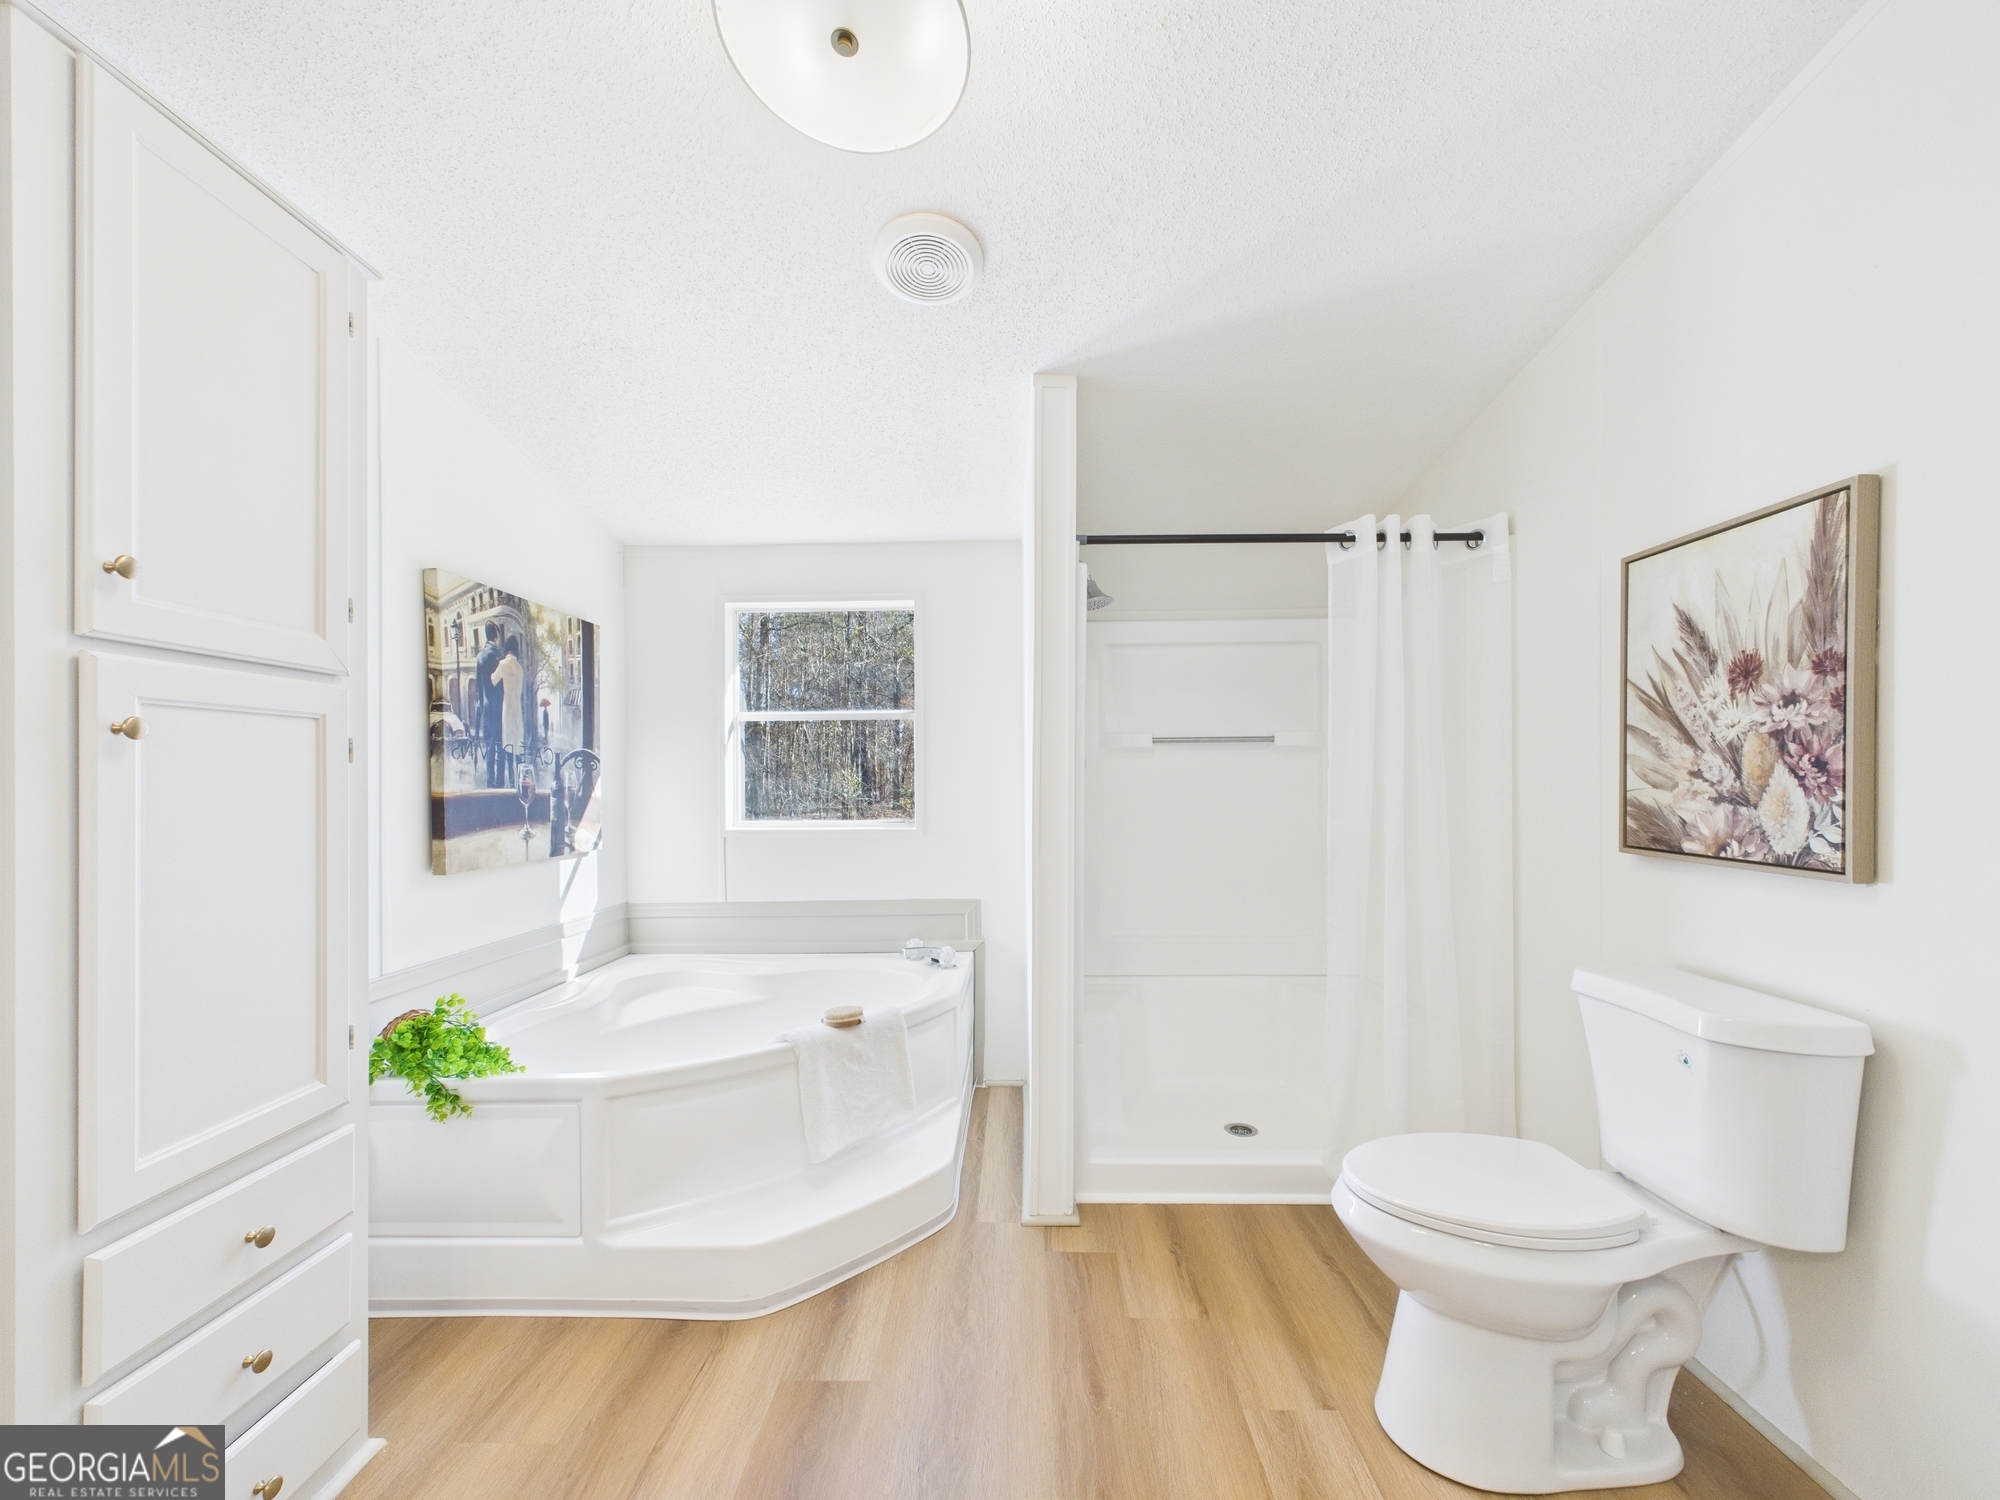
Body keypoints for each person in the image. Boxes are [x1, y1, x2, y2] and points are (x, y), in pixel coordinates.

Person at [473, 623, 504, 787]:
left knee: (489, 747)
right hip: (498, 708)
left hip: (486, 709)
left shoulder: (480, 657)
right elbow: (502, 686)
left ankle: (489, 782)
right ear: (496, 636)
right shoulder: (499, 656)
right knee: (499, 746)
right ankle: (499, 783)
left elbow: (478, 689)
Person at [492, 640, 526, 788]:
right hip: (517, 709)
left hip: (507, 708)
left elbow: (493, 680)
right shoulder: (519, 668)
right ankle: (518, 782)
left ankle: (511, 781)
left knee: (508, 746)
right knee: (517, 746)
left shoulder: (502, 664)